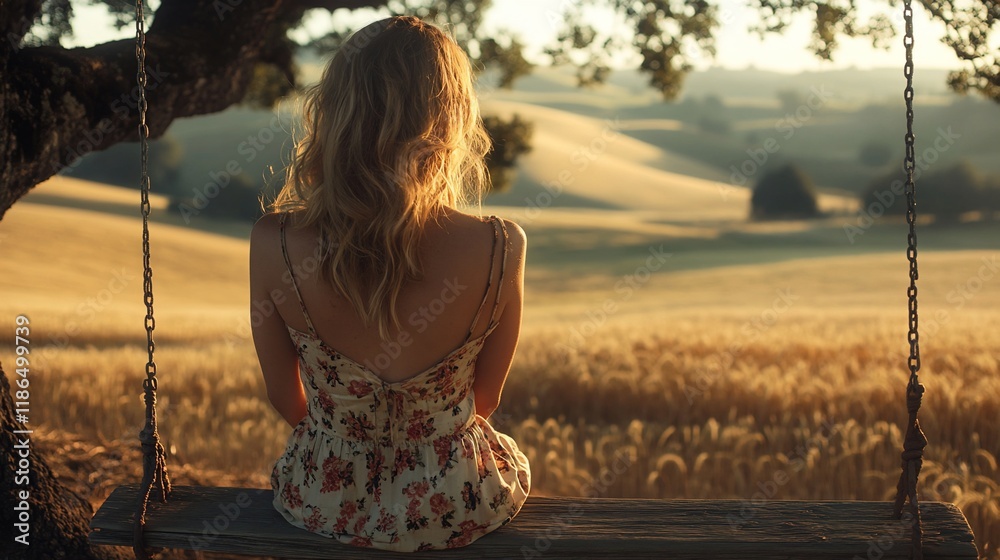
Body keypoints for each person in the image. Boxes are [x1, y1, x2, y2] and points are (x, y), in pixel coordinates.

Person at [248, 15, 530, 552]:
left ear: (333, 111)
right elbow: (485, 399)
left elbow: (285, 397)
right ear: (451, 121)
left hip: (323, 496)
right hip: (459, 496)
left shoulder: (275, 241)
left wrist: (348, 450)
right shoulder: (500, 245)